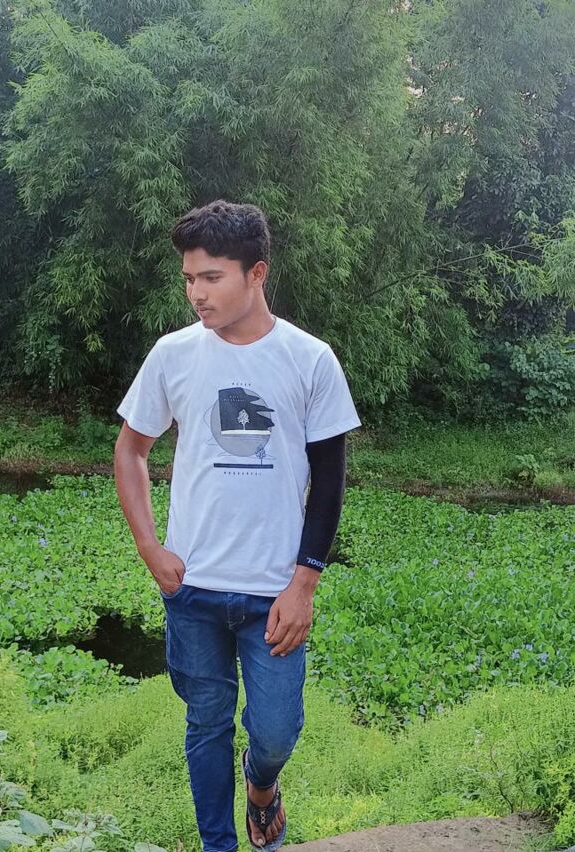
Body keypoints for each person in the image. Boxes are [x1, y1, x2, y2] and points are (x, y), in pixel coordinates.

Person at [114, 200, 361, 852]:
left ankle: (262, 783)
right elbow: (131, 450)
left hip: (273, 592)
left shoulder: (310, 360)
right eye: (189, 278)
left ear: (257, 273)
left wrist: (304, 583)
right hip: (192, 586)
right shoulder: (172, 355)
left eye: (211, 277)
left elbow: (329, 480)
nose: (196, 293)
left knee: (275, 730)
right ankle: (219, 846)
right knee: (207, 724)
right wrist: (149, 546)